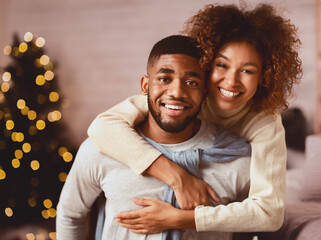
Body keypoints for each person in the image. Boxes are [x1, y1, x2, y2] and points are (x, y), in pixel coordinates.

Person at [88, 2, 302, 234]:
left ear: (264, 76)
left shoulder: (265, 123)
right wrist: (177, 177)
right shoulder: (183, 99)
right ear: (207, 63)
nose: (231, 81)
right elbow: (102, 127)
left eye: (247, 71)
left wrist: (181, 218)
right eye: (222, 65)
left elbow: (269, 214)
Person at [56, 35, 251, 240]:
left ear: (204, 94)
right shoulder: (101, 150)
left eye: (191, 82)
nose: (176, 92)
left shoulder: (237, 159)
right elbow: (70, 215)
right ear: (145, 86)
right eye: (164, 79)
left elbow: (251, 228)